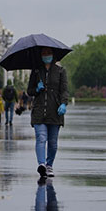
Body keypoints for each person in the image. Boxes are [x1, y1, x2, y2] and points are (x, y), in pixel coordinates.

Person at [27, 47, 69, 178]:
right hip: (39, 110)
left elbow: (64, 90)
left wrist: (63, 103)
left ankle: (49, 164)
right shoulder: (36, 72)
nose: (46, 55)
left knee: (52, 141)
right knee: (41, 138)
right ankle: (41, 164)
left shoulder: (60, 71)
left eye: (48, 53)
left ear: (53, 54)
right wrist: (37, 89)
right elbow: (29, 91)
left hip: (55, 111)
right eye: (44, 53)